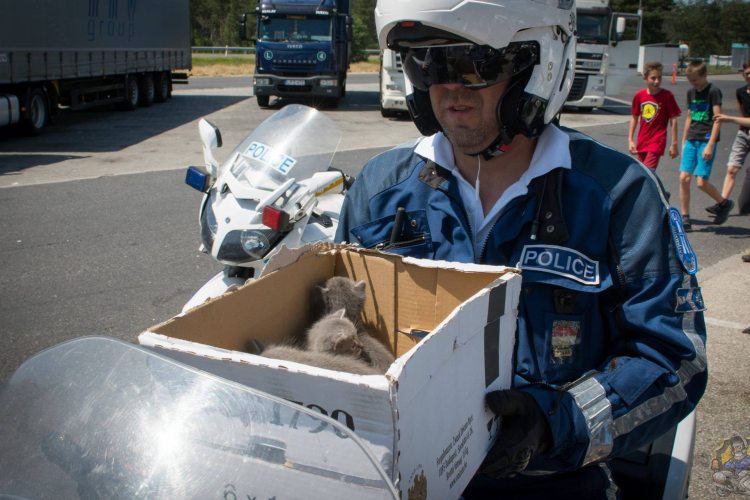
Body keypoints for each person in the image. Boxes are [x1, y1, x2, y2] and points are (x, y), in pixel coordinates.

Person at [335, 1, 708, 498]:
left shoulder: (617, 193)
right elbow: (333, 325)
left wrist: (556, 422)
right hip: (401, 478)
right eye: (425, 64)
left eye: (472, 65)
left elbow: (675, 358)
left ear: (540, 65)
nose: (448, 88)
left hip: (552, 481)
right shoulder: (380, 188)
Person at [679, 60, 732, 232]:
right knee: (683, 178)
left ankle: (724, 203)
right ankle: (685, 217)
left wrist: (710, 144)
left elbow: (718, 119)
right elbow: (689, 117)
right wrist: (684, 139)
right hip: (692, 139)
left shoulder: (713, 91)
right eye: (691, 81)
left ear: (704, 75)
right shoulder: (690, 92)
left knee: (701, 182)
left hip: (706, 140)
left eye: (696, 80)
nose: (694, 84)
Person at [628, 61, 681, 172]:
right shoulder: (639, 95)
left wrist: (674, 144)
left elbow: (673, 120)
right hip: (642, 140)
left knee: (648, 172)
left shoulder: (667, 96)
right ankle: (655, 189)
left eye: (659, 78)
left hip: (657, 140)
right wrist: (630, 140)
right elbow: (634, 117)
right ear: (645, 79)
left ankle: (652, 189)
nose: (657, 81)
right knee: (641, 172)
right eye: (653, 78)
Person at [714, 62, 750, 217]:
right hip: (744, 134)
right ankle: (723, 203)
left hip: (742, 126)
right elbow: (743, 114)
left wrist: (729, 119)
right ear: (743, 75)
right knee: (732, 168)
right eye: (747, 72)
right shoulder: (740, 92)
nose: (749, 75)